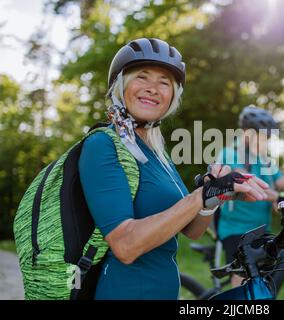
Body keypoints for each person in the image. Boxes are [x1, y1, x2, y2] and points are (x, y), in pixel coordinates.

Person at [78, 38, 269, 299]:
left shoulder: (158, 155)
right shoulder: (103, 145)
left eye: (164, 82)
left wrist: (213, 195)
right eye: (142, 77)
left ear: (172, 97)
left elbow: (192, 230)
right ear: (121, 86)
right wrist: (198, 195)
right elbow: (125, 245)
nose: (153, 88)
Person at [216, 105, 284, 287]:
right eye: (262, 135)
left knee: (267, 281)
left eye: (268, 137)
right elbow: (247, 183)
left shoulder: (264, 160)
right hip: (236, 230)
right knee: (244, 279)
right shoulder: (230, 154)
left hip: (261, 229)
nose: (266, 141)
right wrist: (277, 197)